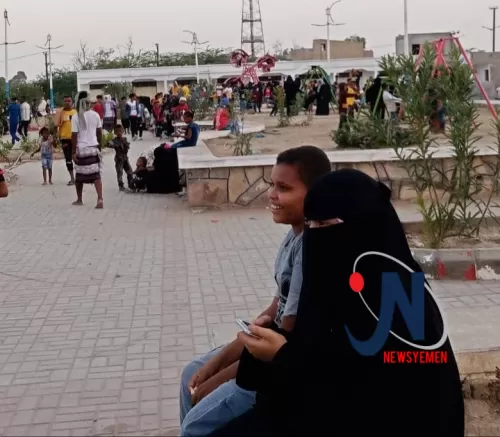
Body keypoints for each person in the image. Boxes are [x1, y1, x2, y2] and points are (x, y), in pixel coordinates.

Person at [208, 169, 465, 437]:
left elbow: (376, 400)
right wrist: (272, 341)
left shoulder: (403, 301)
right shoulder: (337, 287)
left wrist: (282, 356)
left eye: (323, 223)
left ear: (362, 226)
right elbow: (321, 356)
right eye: (309, 224)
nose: (314, 235)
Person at [179, 146, 332, 437]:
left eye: (284, 188)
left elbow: (283, 338)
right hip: (264, 350)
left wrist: (217, 377)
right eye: (272, 185)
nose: (272, 195)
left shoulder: (309, 249)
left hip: (277, 366)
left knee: (195, 424)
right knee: (192, 373)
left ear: (315, 194)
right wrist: (216, 364)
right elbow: (275, 308)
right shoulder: (293, 237)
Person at [71, 91, 104, 209]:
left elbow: (74, 136)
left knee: (79, 176)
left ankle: (79, 199)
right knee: (96, 175)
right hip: (93, 148)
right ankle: (100, 198)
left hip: (81, 149)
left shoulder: (75, 117)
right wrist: (99, 146)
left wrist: (73, 152)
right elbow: (99, 133)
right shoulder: (95, 115)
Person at [56, 96, 77, 185]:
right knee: (68, 160)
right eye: (65, 101)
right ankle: (72, 178)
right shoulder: (60, 113)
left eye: (69, 101)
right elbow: (55, 125)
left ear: (72, 102)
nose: (67, 102)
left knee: (77, 158)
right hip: (65, 139)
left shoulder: (76, 112)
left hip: (75, 138)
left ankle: (80, 177)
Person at [108, 124, 133, 191]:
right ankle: (121, 185)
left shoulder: (125, 139)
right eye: (117, 131)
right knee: (120, 172)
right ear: (115, 132)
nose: (119, 132)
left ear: (123, 131)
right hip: (119, 159)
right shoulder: (114, 141)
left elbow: (127, 147)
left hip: (125, 158)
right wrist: (112, 144)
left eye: (120, 131)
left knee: (130, 171)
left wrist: (124, 143)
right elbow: (109, 144)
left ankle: (131, 184)